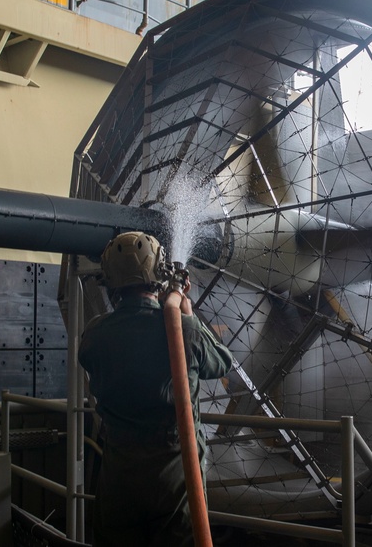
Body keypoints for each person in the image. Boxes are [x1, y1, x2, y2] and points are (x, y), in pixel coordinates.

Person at [79, 231, 233, 547]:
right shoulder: (179, 326)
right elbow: (221, 362)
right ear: (158, 271)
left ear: (110, 278)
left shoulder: (95, 334)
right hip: (175, 470)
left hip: (119, 470)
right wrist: (187, 313)